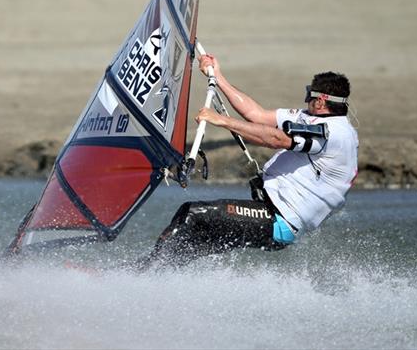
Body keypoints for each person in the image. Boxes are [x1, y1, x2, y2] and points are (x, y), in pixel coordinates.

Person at [134, 54, 359, 269]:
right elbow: (257, 115)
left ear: (320, 101)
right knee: (194, 240)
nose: (306, 98)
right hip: (270, 214)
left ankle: (142, 275)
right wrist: (217, 76)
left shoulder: (334, 133)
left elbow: (275, 139)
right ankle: (144, 275)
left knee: (192, 213)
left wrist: (221, 120)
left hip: (278, 221)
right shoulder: (310, 117)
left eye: (309, 94)